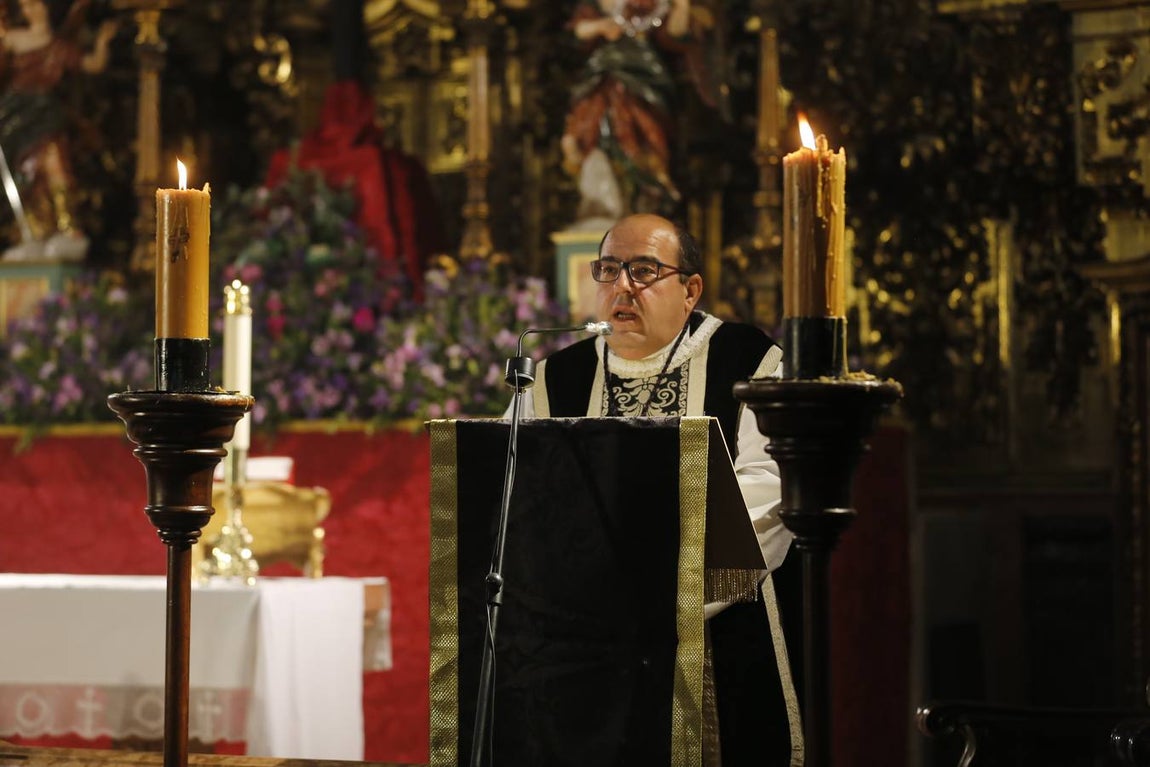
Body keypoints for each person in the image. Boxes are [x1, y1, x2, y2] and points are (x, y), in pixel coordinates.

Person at [517, 213, 803, 766]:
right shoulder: (552, 381)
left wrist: (656, 588)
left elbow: (767, 492)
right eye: (608, 271)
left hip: (716, 636)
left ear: (690, 289)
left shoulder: (749, 364)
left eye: (643, 271)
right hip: (586, 651)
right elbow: (521, 499)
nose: (621, 287)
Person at [561, 0, 717, 218]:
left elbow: (675, 34)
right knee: (595, 116)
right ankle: (581, 151)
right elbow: (578, 30)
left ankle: (650, 184)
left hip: (644, 75)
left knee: (643, 130)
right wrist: (601, 26)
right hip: (604, 71)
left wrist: (681, 7)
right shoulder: (598, 7)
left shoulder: (653, 6)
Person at [0, 0, 116, 260]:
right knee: (26, 175)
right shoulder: (13, 39)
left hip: (46, 115)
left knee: (54, 165)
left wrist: (103, 41)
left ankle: (69, 228)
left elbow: (93, 65)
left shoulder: (59, 47)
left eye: (34, 4)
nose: (29, 10)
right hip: (16, 117)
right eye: (25, 5)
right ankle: (33, 232)